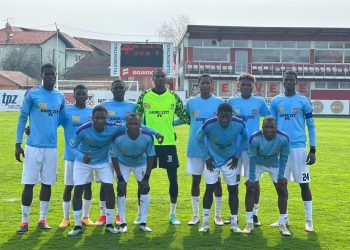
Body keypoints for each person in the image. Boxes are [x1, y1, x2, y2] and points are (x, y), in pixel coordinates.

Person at [68, 105, 161, 236]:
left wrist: (155, 133)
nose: (100, 121)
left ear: (107, 118)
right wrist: (81, 156)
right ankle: (77, 225)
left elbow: (137, 126)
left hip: (103, 161)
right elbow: (71, 146)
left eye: (103, 118)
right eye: (97, 118)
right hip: (83, 162)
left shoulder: (114, 127)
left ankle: (110, 224)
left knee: (109, 188)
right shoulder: (83, 130)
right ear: (92, 118)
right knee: (78, 190)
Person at [15, 63, 65, 234]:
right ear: (42, 75)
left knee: (47, 184)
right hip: (32, 147)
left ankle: (42, 220)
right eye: (47, 74)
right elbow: (22, 118)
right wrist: (17, 144)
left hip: (51, 148)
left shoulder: (60, 96)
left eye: (53, 74)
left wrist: (44, 126)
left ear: (56, 75)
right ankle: (24, 221)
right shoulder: (33, 94)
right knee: (28, 183)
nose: (51, 76)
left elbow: (60, 118)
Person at [136, 68, 190, 225]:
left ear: (166, 78)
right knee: (143, 179)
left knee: (173, 179)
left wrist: (170, 125)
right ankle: (140, 214)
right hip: (148, 144)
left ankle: (173, 214)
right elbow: (138, 120)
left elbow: (185, 117)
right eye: (156, 76)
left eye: (162, 76)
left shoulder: (173, 97)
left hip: (168, 144)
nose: (159, 78)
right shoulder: (144, 96)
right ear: (152, 78)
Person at [270, 70, 316, 232]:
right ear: (283, 81)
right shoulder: (276, 101)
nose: (288, 82)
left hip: (299, 149)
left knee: (304, 185)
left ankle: (309, 220)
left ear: (296, 81)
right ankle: (284, 218)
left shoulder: (303, 101)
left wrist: (313, 149)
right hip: (280, 150)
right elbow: (271, 126)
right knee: (281, 185)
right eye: (286, 79)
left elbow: (311, 126)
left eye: (291, 79)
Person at [175, 74, 224, 226]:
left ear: (211, 85)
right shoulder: (191, 102)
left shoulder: (219, 102)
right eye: (201, 83)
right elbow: (185, 120)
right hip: (195, 148)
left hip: (214, 150)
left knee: (216, 182)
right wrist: (167, 124)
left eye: (207, 83)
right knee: (195, 180)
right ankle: (195, 215)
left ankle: (218, 215)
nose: (204, 85)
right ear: (197, 85)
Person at [197, 103, 249, 233]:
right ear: (217, 115)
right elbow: (199, 139)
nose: (224, 120)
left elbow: (246, 138)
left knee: (233, 189)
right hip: (212, 161)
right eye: (222, 117)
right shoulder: (209, 124)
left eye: (227, 117)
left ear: (232, 115)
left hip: (230, 161)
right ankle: (205, 223)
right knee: (209, 189)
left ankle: (234, 223)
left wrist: (237, 155)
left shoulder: (239, 124)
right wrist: (207, 157)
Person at [227, 73, 270, 226]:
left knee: (254, 182)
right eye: (243, 84)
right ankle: (234, 215)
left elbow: (269, 119)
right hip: (235, 149)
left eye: (248, 85)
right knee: (233, 182)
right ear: (239, 86)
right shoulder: (232, 101)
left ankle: (255, 214)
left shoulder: (259, 102)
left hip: (253, 149)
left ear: (253, 86)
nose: (246, 87)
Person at [96, 79, 137, 226]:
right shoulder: (104, 106)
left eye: (121, 88)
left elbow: (139, 126)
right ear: (112, 90)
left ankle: (120, 215)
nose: (119, 90)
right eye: (116, 88)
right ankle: (102, 215)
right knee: (105, 183)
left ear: (125, 89)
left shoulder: (132, 106)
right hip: (106, 151)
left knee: (122, 183)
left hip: (124, 151)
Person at [243, 116, 291, 236]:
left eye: (272, 127)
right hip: (258, 163)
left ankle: (282, 223)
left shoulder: (284, 138)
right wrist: (252, 179)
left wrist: (281, 176)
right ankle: (249, 223)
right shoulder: (255, 138)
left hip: (274, 164)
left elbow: (284, 157)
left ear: (276, 127)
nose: (269, 130)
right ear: (262, 127)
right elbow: (252, 158)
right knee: (250, 189)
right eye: (266, 127)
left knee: (282, 190)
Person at [111, 113, 155, 233]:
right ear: (126, 124)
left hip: (140, 163)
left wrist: (146, 177)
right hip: (122, 163)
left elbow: (151, 156)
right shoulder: (118, 137)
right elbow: (114, 157)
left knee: (144, 188)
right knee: (120, 189)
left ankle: (143, 222)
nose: (133, 126)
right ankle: (123, 223)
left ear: (140, 125)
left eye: (136, 123)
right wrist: (119, 177)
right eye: (130, 123)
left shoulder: (147, 136)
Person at [58, 84, 94, 228]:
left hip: (87, 156)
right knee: (69, 187)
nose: (80, 96)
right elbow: (51, 124)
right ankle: (66, 218)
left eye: (83, 94)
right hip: (71, 156)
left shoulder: (92, 112)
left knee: (87, 186)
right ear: (74, 96)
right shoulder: (66, 112)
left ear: (87, 96)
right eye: (78, 94)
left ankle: (86, 217)